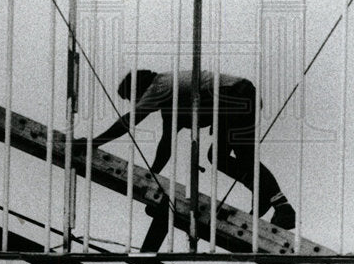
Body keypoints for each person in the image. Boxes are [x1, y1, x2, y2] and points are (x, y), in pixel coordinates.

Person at [83, 68, 296, 230]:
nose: (138, 102)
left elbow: (130, 120)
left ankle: (274, 202)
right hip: (244, 96)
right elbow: (166, 145)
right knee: (234, 157)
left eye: (134, 98)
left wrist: (94, 142)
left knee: (226, 156)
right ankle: (278, 203)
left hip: (233, 96)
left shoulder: (159, 85)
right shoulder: (172, 102)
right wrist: (152, 175)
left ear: (139, 88)